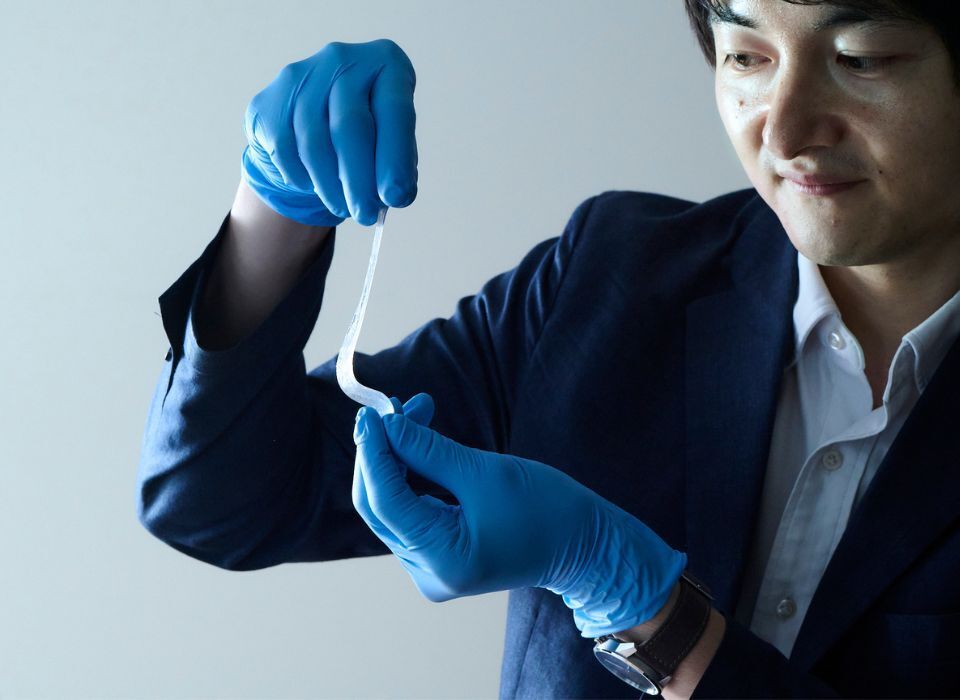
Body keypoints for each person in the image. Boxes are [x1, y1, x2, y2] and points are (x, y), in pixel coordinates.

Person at [136, 0, 960, 696]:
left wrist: (637, 604)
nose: (782, 127)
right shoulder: (613, 275)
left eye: (862, 58)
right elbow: (222, 501)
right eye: (746, 56)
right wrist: (272, 212)